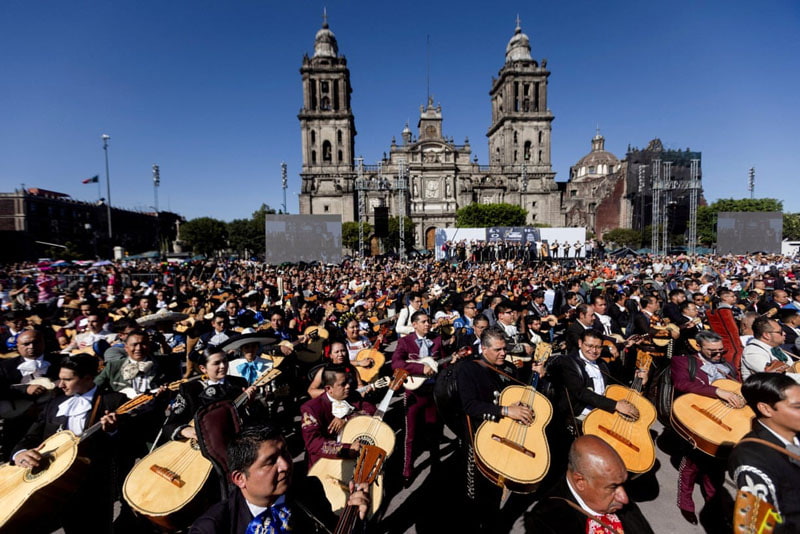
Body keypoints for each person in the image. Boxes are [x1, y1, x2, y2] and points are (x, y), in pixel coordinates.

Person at [9, 353, 127, 533]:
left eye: (68, 379)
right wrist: (20, 453)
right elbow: (31, 437)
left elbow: (130, 441)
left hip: (92, 484)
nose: (60, 384)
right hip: (50, 482)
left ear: (88, 378)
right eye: (60, 378)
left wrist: (113, 431)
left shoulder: (113, 401)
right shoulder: (56, 402)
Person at [190, 425, 370, 534]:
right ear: (240, 478)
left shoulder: (309, 488)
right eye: (270, 462)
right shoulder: (213, 528)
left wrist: (354, 520)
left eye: (285, 452)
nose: (285, 465)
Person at [456, 327, 546, 528]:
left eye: (504, 349)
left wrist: (538, 376)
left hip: (503, 435)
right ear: (484, 348)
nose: (503, 353)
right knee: (475, 496)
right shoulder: (467, 369)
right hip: (479, 438)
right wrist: (505, 410)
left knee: (495, 493)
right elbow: (469, 405)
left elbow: (522, 396)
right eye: (498, 350)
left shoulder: (508, 368)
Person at [670, 329, 744, 524]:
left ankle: (713, 503)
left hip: (724, 421)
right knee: (692, 463)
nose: (719, 355)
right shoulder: (683, 361)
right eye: (713, 352)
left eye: (721, 350)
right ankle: (685, 500)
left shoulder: (726, 365)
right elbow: (682, 384)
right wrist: (717, 391)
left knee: (717, 466)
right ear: (698, 346)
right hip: (696, 417)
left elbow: (737, 388)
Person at [525, 435, 654, 533]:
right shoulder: (548, 522)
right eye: (612, 487)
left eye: (622, 484)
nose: (625, 499)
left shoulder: (618, 500)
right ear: (580, 482)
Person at [728, 373, 800, 533]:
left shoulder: (793, 433)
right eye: (797, 407)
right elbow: (756, 527)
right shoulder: (752, 458)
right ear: (766, 409)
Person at [391, 310, 444, 482]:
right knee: (411, 434)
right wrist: (420, 369)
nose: (427, 324)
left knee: (434, 429)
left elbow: (443, 362)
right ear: (414, 325)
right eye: (423, 321)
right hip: (413, 393)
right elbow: (396, 363)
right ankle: (407, 470)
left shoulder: (436, 339)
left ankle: (436, 464)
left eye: (429, 321)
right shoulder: (405, 342)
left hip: (432, 393)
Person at [299, 365, 375, 468]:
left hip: (356, 458)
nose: (348, 386)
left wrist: (347, 419)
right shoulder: (311, 409)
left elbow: (372, 411)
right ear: (329, 389)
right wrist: (347, 449)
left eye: (348, 382)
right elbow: (314, 443)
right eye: (343, 384)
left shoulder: (354, 396)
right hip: (325, 463)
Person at [742, 317, 800, 383]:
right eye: (780, 332)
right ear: (766, 335)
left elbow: (791, 368)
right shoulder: (752, 352)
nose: (784, 333)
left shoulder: (775, 348)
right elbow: (774, 377)